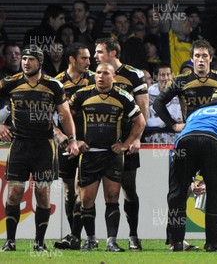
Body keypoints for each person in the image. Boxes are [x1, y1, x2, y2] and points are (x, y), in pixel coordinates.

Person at [0, 45, 80, 252]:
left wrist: (71, 139)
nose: (26, 62)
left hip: (44, 147)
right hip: (19, 145)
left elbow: (65, 114)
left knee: (43, 194)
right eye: (24, 59)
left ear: (40, 63)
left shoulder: (53, 85)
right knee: (14, 193)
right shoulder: (10, 83)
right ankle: (10, 241)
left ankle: (39, 243)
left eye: (31, 59)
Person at [69, 62, 145, 252]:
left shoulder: (123, 96)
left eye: (106, 73)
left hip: (112, 155)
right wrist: (75, 140)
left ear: (114, 77)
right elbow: (65, 117)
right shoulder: (81, 94)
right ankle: (91, 239)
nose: (101, 76)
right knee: (86, 200)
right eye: (98, 73)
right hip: (89, 155)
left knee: (112, 197)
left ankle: (111, 241)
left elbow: (140, 121)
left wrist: (126, 144)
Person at [167, 89, 217, 252]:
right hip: (212, 142)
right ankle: (212, 244)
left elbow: (190, 135)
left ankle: (176, 242)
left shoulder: (196, 112)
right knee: (215, 194)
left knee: (176, 193)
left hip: (183, 143)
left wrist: (191, 179)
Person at [94, 37, 149, 251]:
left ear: (113, 53)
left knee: (128, 187)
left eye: (99, 52)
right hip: (101, 140)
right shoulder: (95, 76)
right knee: (93, 191)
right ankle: (91, 238)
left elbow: (143, 109)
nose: (96, 56)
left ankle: (133, 235)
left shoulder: (134, 74)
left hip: (126, 139)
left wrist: (136, 138)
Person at [52, 43, 96, 250]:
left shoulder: (96, 79)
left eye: (89, 58)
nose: (89, 62)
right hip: (66, 143)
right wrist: (59, 133)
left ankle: (82, 236)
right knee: (70, 191)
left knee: (82, 189)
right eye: (84, 58)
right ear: (72, 60)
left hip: (88, 143)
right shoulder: (56, 82)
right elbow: (45, 113)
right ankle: (75, 236)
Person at [153, 39, 217, 134]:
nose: (201, 60)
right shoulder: (179, 81)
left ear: (211, 58)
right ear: (192, 58)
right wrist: (173, 125)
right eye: (197, 56)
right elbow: (158, 103)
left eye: (204, 56)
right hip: (190, 133)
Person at [145, 64, 182, 144]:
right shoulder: (148, 95)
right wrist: (167, 122)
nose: (166, 78)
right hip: (154, 135)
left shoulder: (179, 93)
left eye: (168, 75)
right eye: (162, 75)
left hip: (176, 135)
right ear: (156, 77)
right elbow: (146, 120)